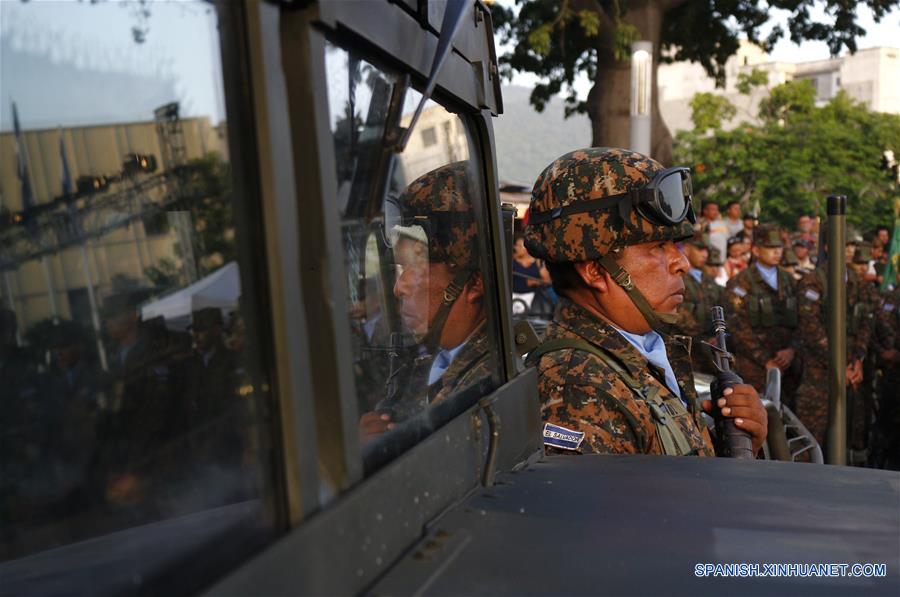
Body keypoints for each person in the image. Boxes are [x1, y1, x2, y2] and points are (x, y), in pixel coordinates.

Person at [523, 147, 766, 456]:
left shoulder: (638, 353)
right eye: (658, 246)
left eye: (676, 245)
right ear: (596, 271)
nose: (682, 263)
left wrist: (739, 446)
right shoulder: (579, 388)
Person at [359, 162, 492, 439]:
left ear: (475, 283)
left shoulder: (490, 380)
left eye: (415, 267)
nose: (399, 287)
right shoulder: (428, 362)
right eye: (400, 269)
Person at [794, 239, 876, 450]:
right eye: (845, 245)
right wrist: (839, 365)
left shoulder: (859, 283)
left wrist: (857, 361)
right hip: (819, 374)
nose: (850, 251)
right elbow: (811, 329)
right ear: (830, 245)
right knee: (812, 440)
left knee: (853, 438)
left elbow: (866, 321)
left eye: (853, 247)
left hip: (852, 373)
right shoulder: (813, 281)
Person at [724, 224, 800, 398]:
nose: (776, 252)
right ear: (756, 250)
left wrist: (791, 350)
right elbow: (737, 326)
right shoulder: (740, 282)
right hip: (754, 368)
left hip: (788, 364)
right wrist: (765, 359)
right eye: (770, 248)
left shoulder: (789, 280)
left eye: (779, 247)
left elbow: (802, 318)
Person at [678, 233, 723, 373]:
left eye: (706, 250)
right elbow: (680, 317)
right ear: (686, 249)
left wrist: (718, 337)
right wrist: (705, 339)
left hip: (710, 350)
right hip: (685, 351)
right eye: (700, 249)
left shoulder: (708, 280)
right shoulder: (677, 277)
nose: (705, 254)